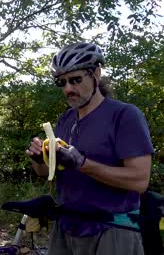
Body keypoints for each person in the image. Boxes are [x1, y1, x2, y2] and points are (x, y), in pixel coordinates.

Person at [25, 42, 154, 255]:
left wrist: (81, 162)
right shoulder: (66, 119)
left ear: (96, 73)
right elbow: (46, 173)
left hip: (112, 230)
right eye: (62, 82)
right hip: (67, 227)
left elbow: (140, 181)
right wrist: (40, 159)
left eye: (75, 80)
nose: (68, 89)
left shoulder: (124, 116)